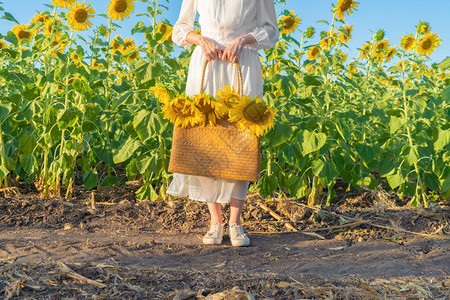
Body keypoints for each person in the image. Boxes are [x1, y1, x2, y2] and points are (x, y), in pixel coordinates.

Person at [167, 0, 279, 247]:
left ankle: (236, 222)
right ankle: (215, 222)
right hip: (208, 62)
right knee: (207, 141)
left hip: (243, 61)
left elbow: (271, 30)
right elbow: (180, 29)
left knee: (241, 141)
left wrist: (244, 40)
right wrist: (201, 40)